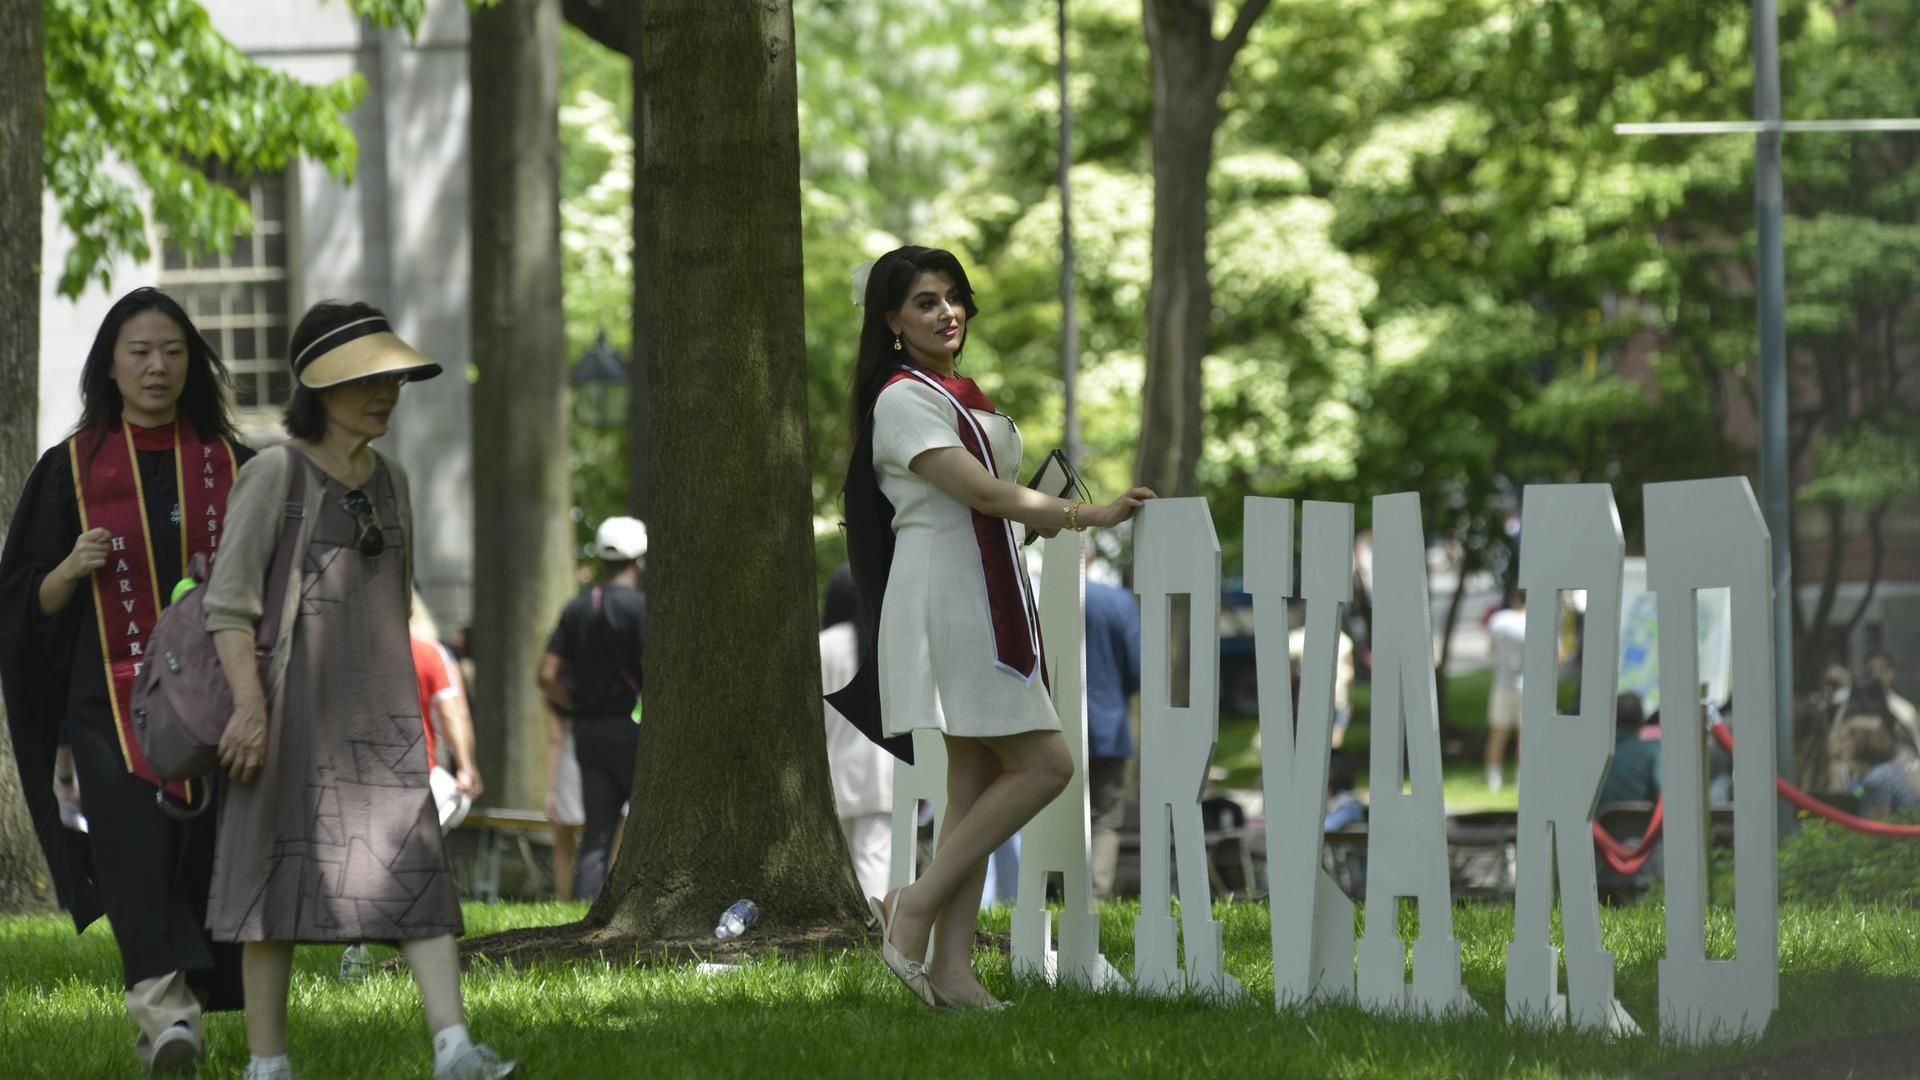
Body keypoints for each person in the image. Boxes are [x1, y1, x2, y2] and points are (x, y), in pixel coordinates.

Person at [202, 300, 513, 1079]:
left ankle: (453, 1049)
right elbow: (228, 606)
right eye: (366, 379)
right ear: (319, 384)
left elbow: (397, 605)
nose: (386, 393)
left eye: (393, 379)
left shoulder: (394, 482)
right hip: (285, 716)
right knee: (271, 889)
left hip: (382, 724)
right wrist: (248, 709)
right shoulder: (274, 472)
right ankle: (266, 1066)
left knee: (419, 878)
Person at [840, 245, 1155, 1009]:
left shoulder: (955, 393)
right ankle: (910, 908)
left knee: (975, 786)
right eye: (924, 301)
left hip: (985, 584)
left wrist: (1038, 517)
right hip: (952, 597)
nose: (947, 312)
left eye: (953, 297)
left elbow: (993, 502)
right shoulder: (901, 398)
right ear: (891, 320)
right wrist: (1089, 513)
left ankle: (951, 971)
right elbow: (984, 493)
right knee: (1047, 766)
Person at [0, 287, 249, 1074]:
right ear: (110, 362)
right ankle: (167, 1022)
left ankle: (193, 1005)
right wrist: (70, 569)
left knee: (198, 852)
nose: (157, 367)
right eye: (140, 351)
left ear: (192, 363)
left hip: (210, 701)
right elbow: (22, 601)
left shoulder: (229, 461)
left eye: (173, 352)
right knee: (131, 854)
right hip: (108, 704)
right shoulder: (67, 470)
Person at [537, 515, 647, 903]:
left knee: (596, 835)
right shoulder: (643, 609)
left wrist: (577, 703)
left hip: (588, 733)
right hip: (635, 733)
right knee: (644, 829)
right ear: (639, 559)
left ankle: (587, 912)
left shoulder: (577, 609)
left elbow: (547, 674)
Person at [820, 564, 893, 901]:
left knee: (841, 863)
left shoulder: (823, 645)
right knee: (872, 862)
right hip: (881, 774)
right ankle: (873, 935)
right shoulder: (887, 646)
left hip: (834, 772)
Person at [1084, 552, 1141, 902]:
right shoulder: (1117, 602)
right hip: (1107, 722)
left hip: (1051, 723)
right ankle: (1095, 896)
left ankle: (1051, 894)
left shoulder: (1040, 597)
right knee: (1105, 815)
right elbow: (1138, 667)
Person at [411, 596, 483, 831]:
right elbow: (455, 714)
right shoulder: (430, 653)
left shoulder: (354, 651)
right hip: (418, 768)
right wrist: (465, 766)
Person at [1484, 592, 1527, 792]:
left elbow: (1492, 649)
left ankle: (1494, 779)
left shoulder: (1499, 620)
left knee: (1498, 732)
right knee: (1524, 735)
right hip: (1528, 686)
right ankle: (1521, 779)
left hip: (1503, 683)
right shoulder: (1538, 621)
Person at [1598, 693, 1661, 807]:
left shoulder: (1594, 754)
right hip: (1642, 824)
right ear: (1641, 721)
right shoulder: (1653, 752)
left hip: (1593, 823)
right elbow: (1664, 794)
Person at [1866, 652, 1918, 749]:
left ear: (1891, 672)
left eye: (1881, 670)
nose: (1875, 675)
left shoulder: (1904, 708)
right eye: (1870, 671)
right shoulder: (1857, 705)